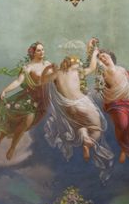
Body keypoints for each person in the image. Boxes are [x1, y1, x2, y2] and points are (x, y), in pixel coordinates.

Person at [42, 39, 113, 173]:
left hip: (67, 109)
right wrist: (94, 53)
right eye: (78, 63)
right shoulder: (77, 71)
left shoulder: (56, 74)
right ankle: (88, 142)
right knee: (97, 128)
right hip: (82, 104)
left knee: (80, 125)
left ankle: (84, 137)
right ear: (74, 64)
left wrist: (47, 69)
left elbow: (42, 80)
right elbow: (92, 67)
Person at [0, 42, 51, 160]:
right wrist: (5, 90)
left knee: (30, 123)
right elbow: (18, 82)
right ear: (33, 53)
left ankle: (6, 134)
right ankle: (13, 147)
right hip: (30, 99)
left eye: (43, 50)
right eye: (39, 50)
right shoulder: (28, 67)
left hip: (44, 101)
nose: (42, 52)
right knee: (27, 121)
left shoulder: (48, 64)